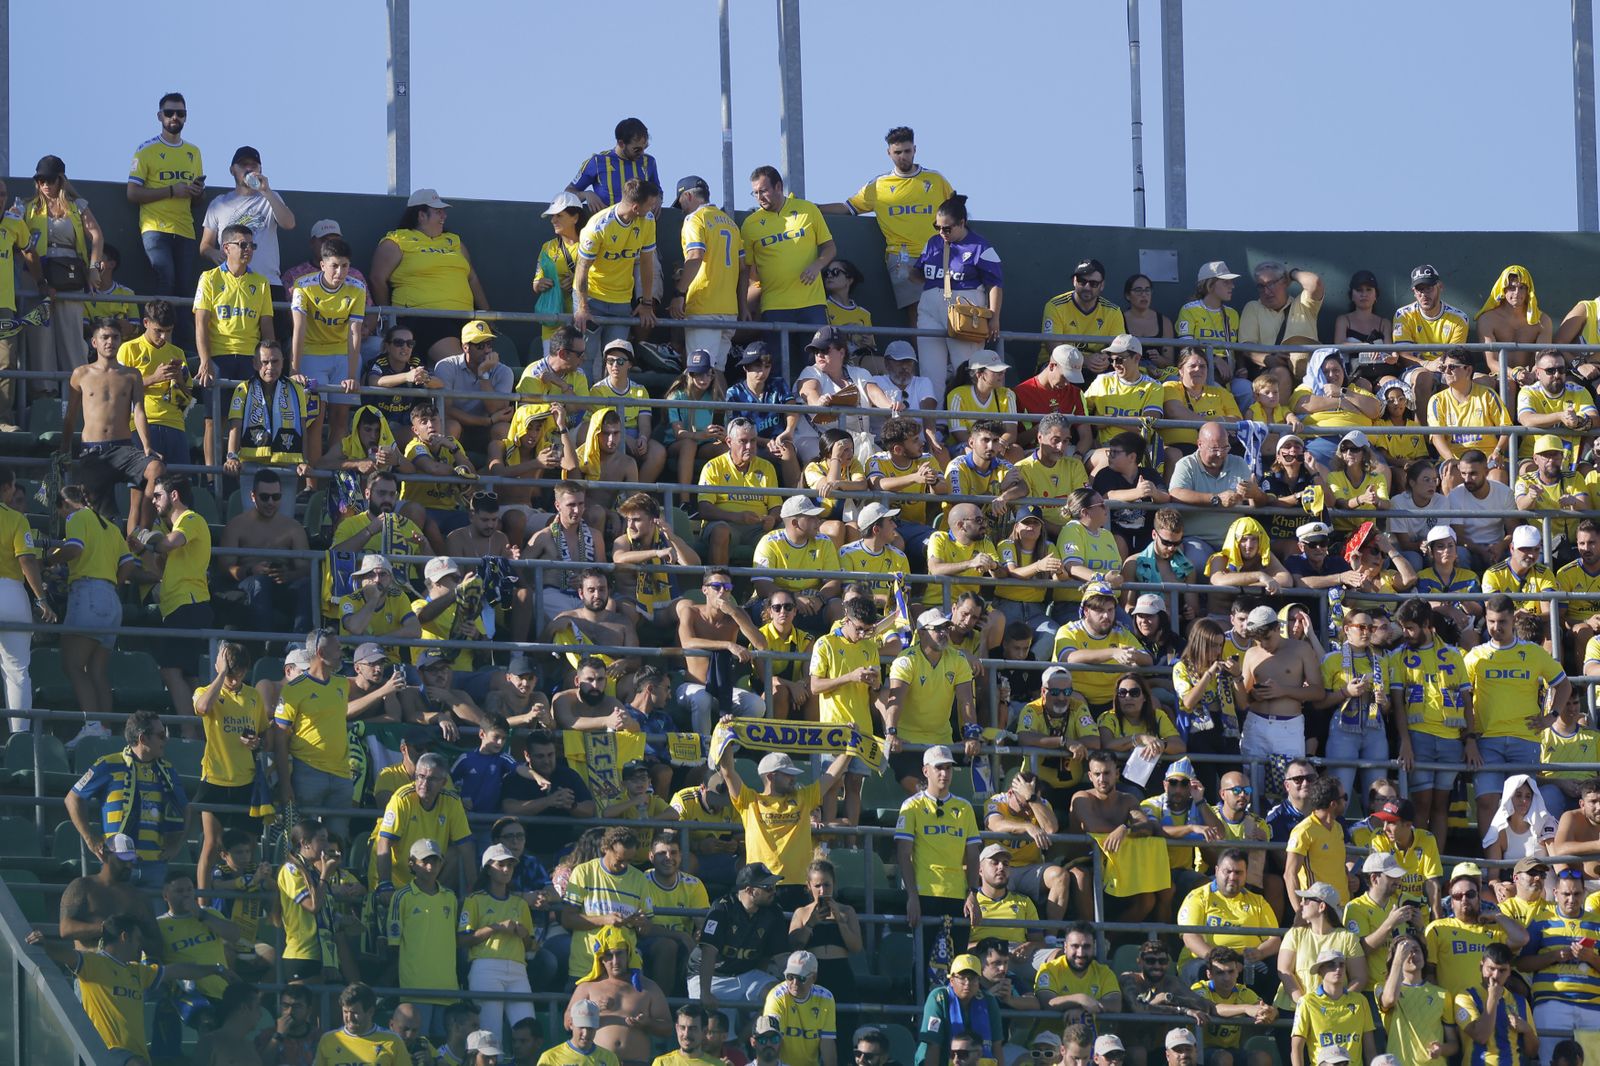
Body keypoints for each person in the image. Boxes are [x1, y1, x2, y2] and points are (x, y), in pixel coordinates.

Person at [28, 913, 235, 1065]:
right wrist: (45, 943)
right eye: (138, 940)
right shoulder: (94, 964)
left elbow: (176, 971)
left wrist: (216, 969)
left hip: (137, 1058)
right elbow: (66, 955)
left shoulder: (137, 972)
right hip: (109, 1054)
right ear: (124, 937)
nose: (141, 947)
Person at [818, 126, 954, 323]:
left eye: (907, 151)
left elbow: (956, 211)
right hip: (902, 256)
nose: (903, 156)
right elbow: (848, 207)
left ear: (915, 149)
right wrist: (815, 207)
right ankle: (921, 354)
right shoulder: (878, 186)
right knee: (916, 311)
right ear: (889, 152)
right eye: (898, 152)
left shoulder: (935, 180)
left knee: (947, 307)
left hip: (938, 253)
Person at [1466, 594, 1570, 835]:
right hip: (1487, 740)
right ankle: (1491, 864)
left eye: (1501, 622)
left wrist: (1550, 717)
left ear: (1513, 619)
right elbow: (1461, 697)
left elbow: (1563, 684)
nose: (1495, 627)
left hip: (1525, 739)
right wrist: (1469, 738)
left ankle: (1521, 865)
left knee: (1522, 805)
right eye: (1491, 621)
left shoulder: (1533, 652)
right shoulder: (1476, 655)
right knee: (1486, 802)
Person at [66, 710, 187, 886]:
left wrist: (177, 844)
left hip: (155, 864)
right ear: (143, 738)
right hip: (118, 862)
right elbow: (72, 798)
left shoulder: (168, 771)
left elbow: (186, 808)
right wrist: (90, 838)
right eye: (161, 735)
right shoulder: (107, 764)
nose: (166, 740)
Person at [370, 189, 489, 362]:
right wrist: (390, 318)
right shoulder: (397, 241)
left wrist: (488, 316)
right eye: (438, 212)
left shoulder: (454, 241)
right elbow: (377, 278)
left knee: (489, 366)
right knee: (460, 365)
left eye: (444, 212)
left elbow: (472, 278)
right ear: (421, 215)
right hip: (424, 318)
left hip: (465, 319)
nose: (444, 216)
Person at [719, 742, 853, 896]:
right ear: (771, 776)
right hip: (761, 884)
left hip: (800, 884)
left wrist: (849, 750)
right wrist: (726, 739)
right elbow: (728, 772)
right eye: (787, 774)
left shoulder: (803, 797)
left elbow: (832, 776)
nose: (793, 778)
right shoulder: (749, 801)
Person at [898, 745, 982, 964]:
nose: (944, 773)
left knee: (959, 963)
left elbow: (973, 855)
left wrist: (973, 893)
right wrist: (912, 896)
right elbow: (903, 854)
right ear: (926, 771)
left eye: (948, 768)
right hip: (925, 893)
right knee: (922, 962)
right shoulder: (912, 805)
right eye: (939, 768)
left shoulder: (964, 808)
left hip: (958, 895)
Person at [571, 178, 663, 374]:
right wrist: (582, 306)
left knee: (617, 360)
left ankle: (610, 406)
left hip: (621, 300)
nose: (653, 208)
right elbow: (582, 269)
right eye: (650, 205)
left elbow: (647, 263)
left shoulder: (647, 221)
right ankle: (585, 405)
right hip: (592, 298)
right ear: (636, 207)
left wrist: (646, 303)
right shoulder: (598, 226)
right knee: (585, 358)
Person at [913, 194, 1004, 391]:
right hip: (930, 308)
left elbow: (995, 284)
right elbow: (917, 272)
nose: (942, 232)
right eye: (937, 227)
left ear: (962, 223)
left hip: (965, 311)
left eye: (947, 228)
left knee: (967, 369)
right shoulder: (932, 243)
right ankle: (934, 421)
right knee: (930, 372)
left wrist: (994, 317)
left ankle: (967, 419)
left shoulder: (981, 247)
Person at [1068, 750, 1171, 922]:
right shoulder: (1082, 797)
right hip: (1084, 862)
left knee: (1148, 899)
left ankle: (1109, 939)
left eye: (1107, 773)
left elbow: (1145, 826)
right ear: (1090, 776)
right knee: (1081, 876)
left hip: (1121, 864)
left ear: (1116, 773)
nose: (1102, 779)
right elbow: (1093, 826)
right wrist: (1120, 829)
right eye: (1097, 774)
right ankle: (1092, 936)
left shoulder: (1128, 800)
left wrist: (1125, 829)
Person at [289, 236, 366, 445]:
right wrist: (294, 371)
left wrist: (351, 376)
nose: (340, 272)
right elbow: (299, 328)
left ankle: (336, 473)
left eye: (345, 266)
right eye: (334, 266)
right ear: (322, 265)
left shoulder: (358, 288)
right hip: (312, 354)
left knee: (341, 419)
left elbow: (354, 332)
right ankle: (311, 475)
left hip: (343, 355)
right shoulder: (302, 285)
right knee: (315, 418)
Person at [127, 92, 204, 299]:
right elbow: (132, 193)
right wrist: (171, 190)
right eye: (169, 112)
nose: (174, 117)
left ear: (186, 117)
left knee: (186, 289)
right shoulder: (145, 150)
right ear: (159, 116)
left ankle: (183, 332)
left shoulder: (193, 152)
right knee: (166, 277)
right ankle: (161, 329)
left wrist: (196, 192)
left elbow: (197, 201)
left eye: (180, 113)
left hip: (185, 229)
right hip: (156, 228)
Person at [741, 166, 835, 336]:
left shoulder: (808, 209)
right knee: (776, 361)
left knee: (816, 360)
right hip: (774, 306)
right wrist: (744, 306)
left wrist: (816, 266)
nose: (759, 197)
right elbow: (746, 269)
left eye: (763, 191)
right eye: (755, 193)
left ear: (778, 186)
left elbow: (830, 247)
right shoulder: (750, 224)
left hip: (812, 303)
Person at [691, 862, 791, 1012]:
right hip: (712, 976)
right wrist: (705, 992)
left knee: (781, 999)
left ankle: (752, 1035)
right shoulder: (722, 908)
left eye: (774, 886)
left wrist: (796, 985)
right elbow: (708, 953)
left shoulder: (773, 912)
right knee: (717, 1026)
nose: (773, 892)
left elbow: (782, 957)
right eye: (768, 887)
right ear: (750, 890)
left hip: (747, 975)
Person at [224, 340, 320, 496]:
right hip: (251, 462)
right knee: (252, 517)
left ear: (283, 362)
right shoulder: (243, 388)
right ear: (255, 364)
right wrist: (231, 456)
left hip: (286, 462)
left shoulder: (296, 389)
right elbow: (235, 427)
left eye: (275, 361)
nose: (270, 367)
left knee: (284, 518)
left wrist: (304, 461)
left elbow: (303, 428)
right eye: (265, 362)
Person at [1166, 423, 1268, 568]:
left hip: (1238, 541)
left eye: (1225, 448)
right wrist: (1216, 499)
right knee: (1198, 565)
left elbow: (1257, 504)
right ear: (1199, 444)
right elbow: (1176, 493)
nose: (1220, 454)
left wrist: (1256, 494)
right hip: (1197, 540)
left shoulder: (1238, 463)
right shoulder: (1186, 464)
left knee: (1269, 568)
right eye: (1214, 449)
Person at [566, 925, 672, 1065]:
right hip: (597, 1062)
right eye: (609, 955)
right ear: (601, 958)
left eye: (619, 954)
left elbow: (668, 1028)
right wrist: (592, 1010)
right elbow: (568, 1023)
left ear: (628, 954)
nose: (615, 961)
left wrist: (648, 1023)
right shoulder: (587, 987)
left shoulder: (648, 987)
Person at [672, 175, 747, 369]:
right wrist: (743, 307)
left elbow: (695, 255)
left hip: (704, 306)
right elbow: (744, 269)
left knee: (699, 371)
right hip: (729, 310)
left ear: (688, 196)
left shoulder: (695, 219)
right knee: (716, 371)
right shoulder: (730, 223)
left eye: (680, 203)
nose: (681, 210)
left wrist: (679, 293)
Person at [1176, 848, 1280, 985]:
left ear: (1246, 874)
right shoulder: (1198, 897)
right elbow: (1190, 938)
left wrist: (1259, 953)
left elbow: (1274, 939)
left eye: (1238, 872)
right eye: (1228, 871)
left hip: (1245, 961)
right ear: (1217, 870)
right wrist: (1219, 961)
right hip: (1207, 958)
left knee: (1273, 969)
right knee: (1200, 970)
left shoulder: (1258, 901)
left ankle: (1262, 1006)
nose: (1232, 877)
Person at [200, 145, 295, 292]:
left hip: (267, 282)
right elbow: (205, 245)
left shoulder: (271, 197)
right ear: (232, 170)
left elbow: (289, 224)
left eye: (254, 165)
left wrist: (266, 191)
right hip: (231, 283)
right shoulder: (218, 203)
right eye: (244, 165)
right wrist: (213, 253)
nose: (249, 169)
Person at [1240, 604, 1325, 765]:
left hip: (1288, 728)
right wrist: (1253, 695)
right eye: (1258, 640)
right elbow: (1243, 699)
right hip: (1255, 726)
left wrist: (1283, 691)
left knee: (1291, 784)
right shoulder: (1251, 653)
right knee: (1253, 783)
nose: (1263, 644)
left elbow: (1318, 692)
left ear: (1278, 628)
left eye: (1267, 638)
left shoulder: (1301, 649)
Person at [1425, 870, 1531, 999]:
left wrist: (1496, 915)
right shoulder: (1437, 928)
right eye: (1457, 896)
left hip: (1490, 1008)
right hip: (1453, 1008)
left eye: (1470, 894)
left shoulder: (1494, 929)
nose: (1464, 899)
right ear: (1451, 901)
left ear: (1479, 898)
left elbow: (1522, 938)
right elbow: (1429, 973)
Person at [698, 417, 781, 566]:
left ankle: (771, 588)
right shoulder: (713, 467)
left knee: (782, 535)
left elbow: (776, 507)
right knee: (721, 531)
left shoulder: (767, 467)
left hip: (757, 529)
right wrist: (736, 517)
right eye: (743, 441)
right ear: (729, 442)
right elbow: (704, 509)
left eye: (753, 440)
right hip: (726, 524)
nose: (750, 446)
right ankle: (719, 584)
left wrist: (772, 519)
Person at [1276, 883, 1365, 1011]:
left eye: (1306, 900)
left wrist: (1337, 1003)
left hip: (1333, 1012)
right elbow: (1284, 971)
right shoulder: (1294, 934)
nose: (1301, 904)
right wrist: (1304, 1003)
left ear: (1322, 906)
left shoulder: (1347, 938)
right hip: (1293, 1010)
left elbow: (1359, 978)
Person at [1377, 932, 1457, 1066]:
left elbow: (1454, 1044)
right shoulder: (1381, 988)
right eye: (1406, 951)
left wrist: (1441, 1049)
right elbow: (1389, 1000)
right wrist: (1398, 959)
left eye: (1416, 950)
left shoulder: (1442, 994)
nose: (1412, 954)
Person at [1040, 258, 1128, 374]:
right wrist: (1084, 360)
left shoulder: (1113, 311)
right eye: (1082, 281)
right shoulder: (1055, 306)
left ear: (1102, 285)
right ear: (1074, 281)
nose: (1087, 287)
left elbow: (1119, 348)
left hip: (1097, 366)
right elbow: (1054, 348)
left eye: (1093, 284)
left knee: (1122, 371)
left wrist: (1106, 358)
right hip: (1059, 365)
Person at [1193, 946, 1277, 1066]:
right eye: (1220, 973)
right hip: (1200, 1051)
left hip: (1232, 1051)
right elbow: (1213, 1008)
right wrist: (1246, 1008)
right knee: (1224, 1058)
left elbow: (1264, 1008)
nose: (1227, 978)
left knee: (1262, 1058)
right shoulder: (1199, 989)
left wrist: (1270, 1012)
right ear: (1209, 974)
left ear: (1237, 971)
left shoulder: (1243, 992)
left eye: (1231, 971)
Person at [1456, 944, 1538, 1066]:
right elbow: (1481, 1036)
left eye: (1502, 970)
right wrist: (1493, 998)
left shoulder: (1520, 1001)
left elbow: (1532, 1052)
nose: (1496, 976)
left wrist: (1527, 1030)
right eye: (1491, 969)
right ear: (1481, 966)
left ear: (1510, 971)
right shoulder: (1466, 997)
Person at [1290, 951, 1376, 1066]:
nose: (1338, 969)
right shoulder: (1307, 1002)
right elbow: (1296, 1049)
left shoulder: (1360, 1001)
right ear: (1320, 970)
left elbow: (1370, 1049)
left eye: (1341, 965)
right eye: (1331, 965)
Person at [1516, 351, 1597, 472]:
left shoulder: (1579, 390)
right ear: (1538, 373)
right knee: (1526, 469)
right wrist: (1560, 417)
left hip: (1572, 458)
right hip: (1534, 456)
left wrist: (1579, 421)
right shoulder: (1529, 391)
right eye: (1550, 371)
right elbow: (1527, 419)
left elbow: (1595, 418)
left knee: (1590, 474)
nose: (1557, 374)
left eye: (1561, 369)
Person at [916, 954, 1003, 1066]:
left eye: (972, 978)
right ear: (951, 980)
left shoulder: (989, 1001)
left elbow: (997, 1045)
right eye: (962, 977)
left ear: (979, 981)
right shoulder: (939, 998)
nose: (967, 983)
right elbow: (933, 1045)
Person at [761, 951, 838, 1066]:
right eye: (790, 977)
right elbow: (770, 1041)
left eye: (801, 978)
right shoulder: (776, 997)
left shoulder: (826, 998)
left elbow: (827, 1042)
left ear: (814, 977)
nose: (794, 983)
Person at [567, 117, 661, 210]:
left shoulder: (649, 162)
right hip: (607, 223)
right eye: (637, 149)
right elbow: (568, 193)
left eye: (645, 147)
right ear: (621, 144)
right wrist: (586, 194)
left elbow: (657, 191)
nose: (642, 153)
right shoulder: (597, 162)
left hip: (640, 223)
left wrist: (658, 198)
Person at [542, 1000, 622, 1066]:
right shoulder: (550, 1058)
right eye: (581, 1027)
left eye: (590, 1028)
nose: (586, 1033)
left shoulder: (610, 1058)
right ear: (571, 1024)